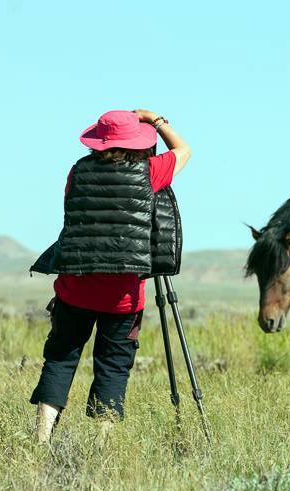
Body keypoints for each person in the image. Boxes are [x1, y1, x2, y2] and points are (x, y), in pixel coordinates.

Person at [29, 109, 191, 444]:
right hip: (124, 295)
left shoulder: (78, 171)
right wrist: (155, 119)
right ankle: (101, 445)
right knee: (114, 365)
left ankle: (41, 437)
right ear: (138, 141)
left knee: (60, 359)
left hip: (75, 287)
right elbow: (184, 150)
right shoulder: (150, 171)